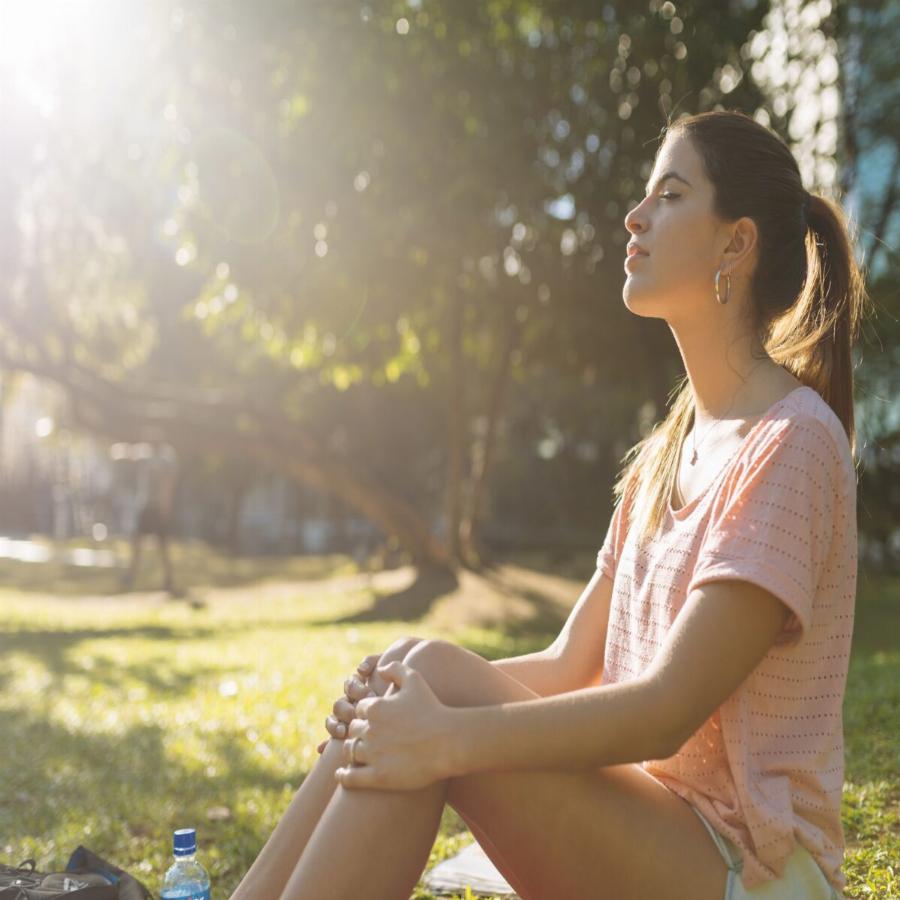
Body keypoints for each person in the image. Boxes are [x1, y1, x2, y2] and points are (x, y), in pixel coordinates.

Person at [228, 109, 867, 900]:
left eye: (669, 195)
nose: (634, 216)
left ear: (735, 243)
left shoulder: (793, 442)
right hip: (654, 834)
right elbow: (570, 666)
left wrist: (447, 733)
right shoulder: (666, 451)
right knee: (414, 674)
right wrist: (404, 703)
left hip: (754, 874)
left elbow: (665, 710)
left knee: (431, 697)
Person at [121, 440, 179, 594]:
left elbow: (169, 482)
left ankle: (168, 578)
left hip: (157, 507)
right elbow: (129, 453)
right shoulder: (145, 454)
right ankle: (131, 574)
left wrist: (165, 504)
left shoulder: (166, 458)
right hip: (145, 506)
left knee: (162, 544)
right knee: (137, 540)